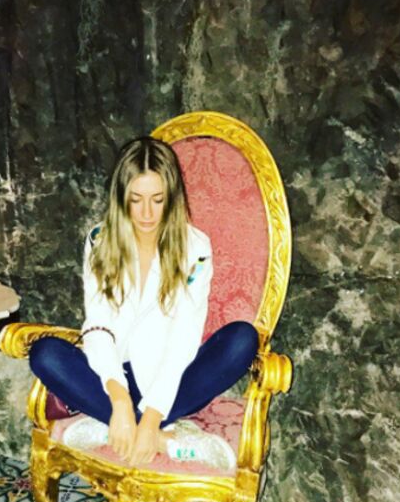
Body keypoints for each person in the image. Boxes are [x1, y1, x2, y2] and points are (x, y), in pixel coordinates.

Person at [30, 137, 258, 470]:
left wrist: (151, 416)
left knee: (242, 339)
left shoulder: (195, 249)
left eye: (157, 200)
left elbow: (184, 337)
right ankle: (164, 439)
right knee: (45, 353)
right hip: (115, 376)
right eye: (136, 200)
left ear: (172, 197)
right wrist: (120, 400)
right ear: (121, 197)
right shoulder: (100, 241)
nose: (147, 213)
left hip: (171, 380)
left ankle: (113, 428)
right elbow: (98, 326)